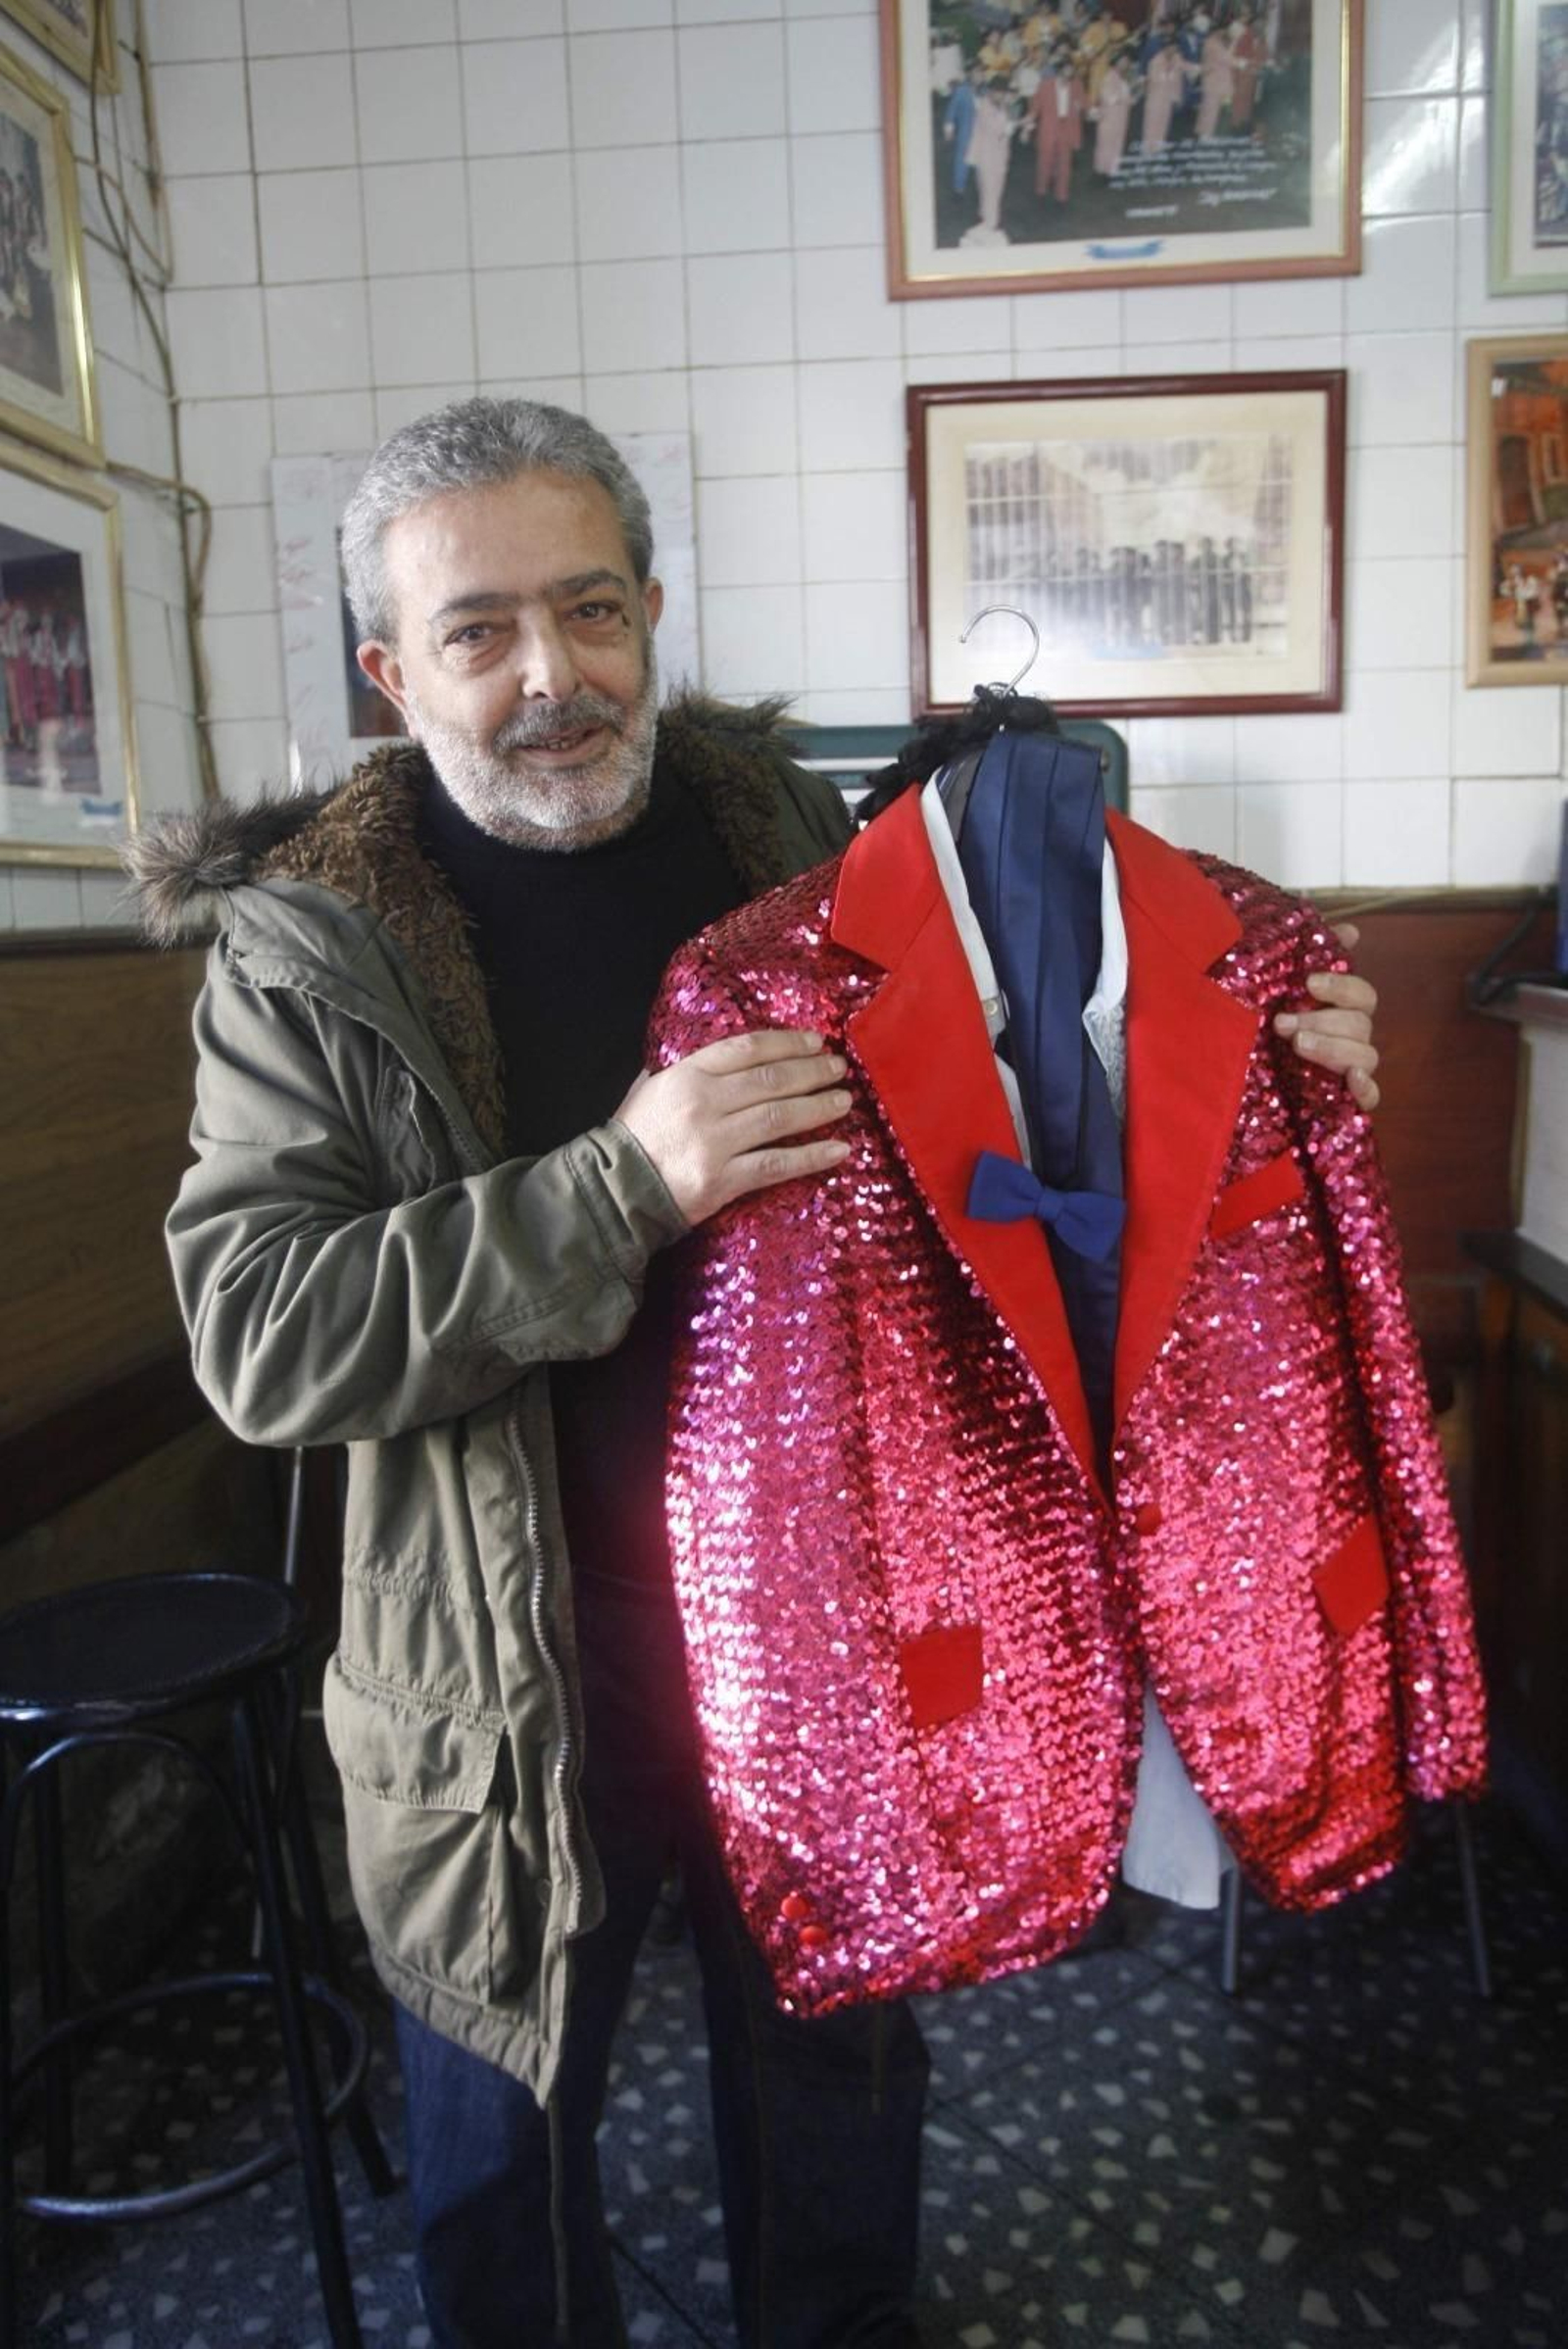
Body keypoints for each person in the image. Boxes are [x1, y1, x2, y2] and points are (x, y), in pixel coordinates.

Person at [133, 397, 1383, 2349]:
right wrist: (623, 1183)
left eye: (591, 606)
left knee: (840, 2103)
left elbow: (1023, 1166)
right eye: (477, 631)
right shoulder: (305, 955)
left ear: (652, 605)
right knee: (501, 2152)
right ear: (390, 673)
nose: (552, 675)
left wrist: (1253, 1100)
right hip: (509, 1682)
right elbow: (264, 1332)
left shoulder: (821, 852)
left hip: (826, 1636)